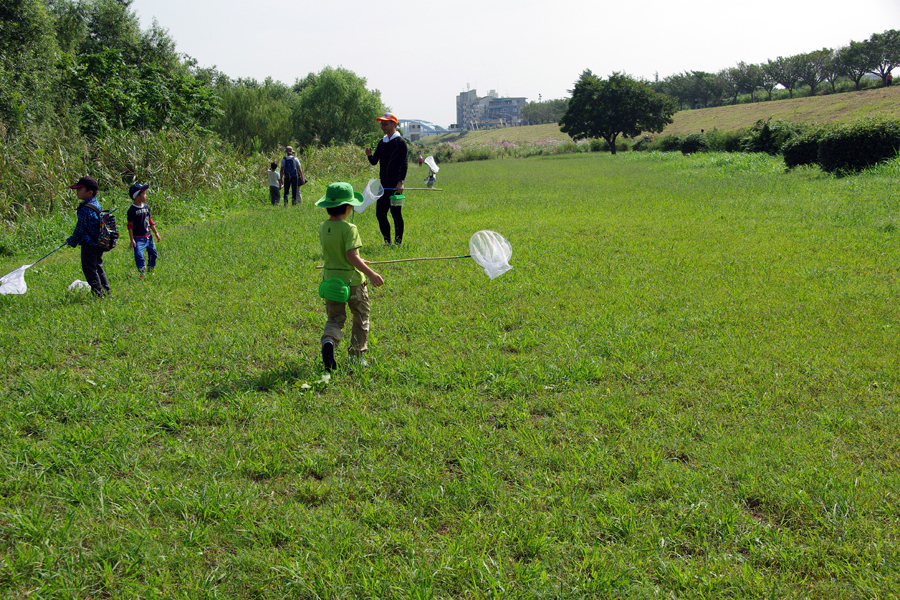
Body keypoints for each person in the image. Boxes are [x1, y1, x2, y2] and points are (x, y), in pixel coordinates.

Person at [316, 182, 384, 371]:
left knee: (335, 318)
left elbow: (340, 254)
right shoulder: (349, 228)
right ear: (347, 207)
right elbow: (351, 256)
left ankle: (329, 340)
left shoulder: (323, 227)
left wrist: (361, 261)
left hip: (330, 282)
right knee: (361, 316)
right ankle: (356, 356)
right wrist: (370, 273)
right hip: (352, 283)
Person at [365, 113, 408, 245]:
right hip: (383, 186)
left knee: (396, 214)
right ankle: (387, 242)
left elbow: (404, 163)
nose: (383, 126)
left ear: (394, 124)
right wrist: (369, 156)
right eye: (381, 123)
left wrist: (401, 182)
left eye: (386, 123)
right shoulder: (382, 142)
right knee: (380, 214)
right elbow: (374, 161)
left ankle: (398, 242)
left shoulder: (400, 142)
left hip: (395, 186)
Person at [66, 176, 110, 298]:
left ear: (89, 192)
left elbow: (80, 228)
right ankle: (106, 291)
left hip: (89, 244)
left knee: (90, 270)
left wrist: (72, 241)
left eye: (80, 189)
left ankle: (98, 294)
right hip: (99, 242)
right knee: (98, 267)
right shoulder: (97, 204)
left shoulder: (84, 209)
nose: (77, 191)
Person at [126, 183, 161, 277]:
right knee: (138, 255)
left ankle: (150, 269)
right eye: (144, 194)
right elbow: (130, 226)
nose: (146, 196)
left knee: (153, 254)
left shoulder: (146, 207)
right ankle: (142, 273)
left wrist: (156, 233)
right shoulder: (132, 211)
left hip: (148, 236)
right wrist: (132, 239)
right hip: (138, 238)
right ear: (137, 197)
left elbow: (150, 221)